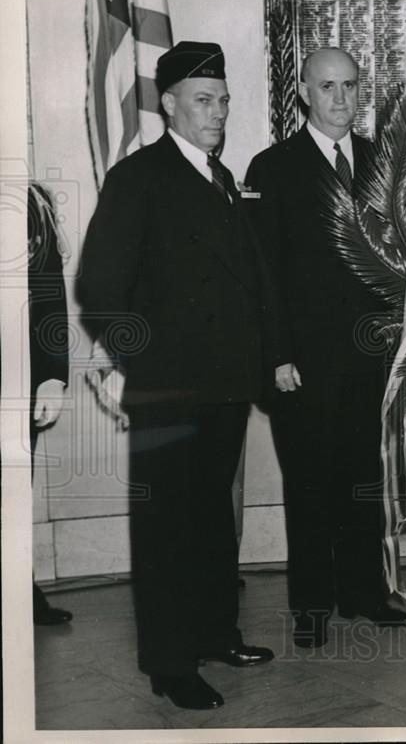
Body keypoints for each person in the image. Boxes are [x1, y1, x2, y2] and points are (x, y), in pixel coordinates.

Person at [78, 41, 279, 710]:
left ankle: (216, 632)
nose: (217, 111)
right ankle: (169, 663)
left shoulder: (221, 177)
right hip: (168, 388)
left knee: (212, 520)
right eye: (203, 100)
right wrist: (137, 361)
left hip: (224, 384)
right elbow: (99, 287)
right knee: (166, 526)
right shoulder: (140, 177)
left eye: (222, 99)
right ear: (168, 104)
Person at [244, 47, 406, 650]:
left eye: (350, 86)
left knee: (362, 475)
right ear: (305, 95)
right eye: (328, 87)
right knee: (310, 480)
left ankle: (364, 593)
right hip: (304, 362)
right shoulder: (274, 167)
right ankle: (311, 604)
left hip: (369, 353)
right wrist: (277, 354)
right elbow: (264, 273)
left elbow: (401, 257)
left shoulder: (378, 163)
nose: (342, 99)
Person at [27, 182, 73, 626]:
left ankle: (19, 590)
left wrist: (52, 375)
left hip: (14, 380)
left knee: (16, 493)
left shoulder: (27, 198)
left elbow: (48, 294)